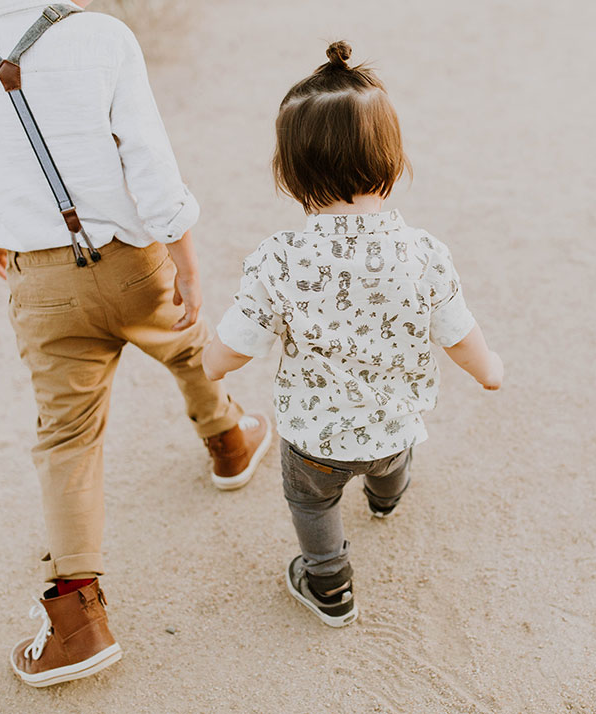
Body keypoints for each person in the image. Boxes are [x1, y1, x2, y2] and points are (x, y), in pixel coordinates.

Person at [0, 0, 271, 686]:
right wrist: (186, 255)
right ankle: (229, 440)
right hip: (127, 258)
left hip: (41, 284)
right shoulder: (101, 35)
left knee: (66, 438)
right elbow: (146, 156)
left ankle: (78, 623)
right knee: (183, 340)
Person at [202, 41, 503, 628]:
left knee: (310, 502)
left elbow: (232, 349)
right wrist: (489, 369)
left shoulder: (279, 258)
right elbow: (458, 332)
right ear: (393, 161)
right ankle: (388, 496)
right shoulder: (423, 253)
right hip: (394, 424)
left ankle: (328, 582)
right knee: (391, 458)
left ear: (290, 173)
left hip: (314, 438)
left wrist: (211, 362)